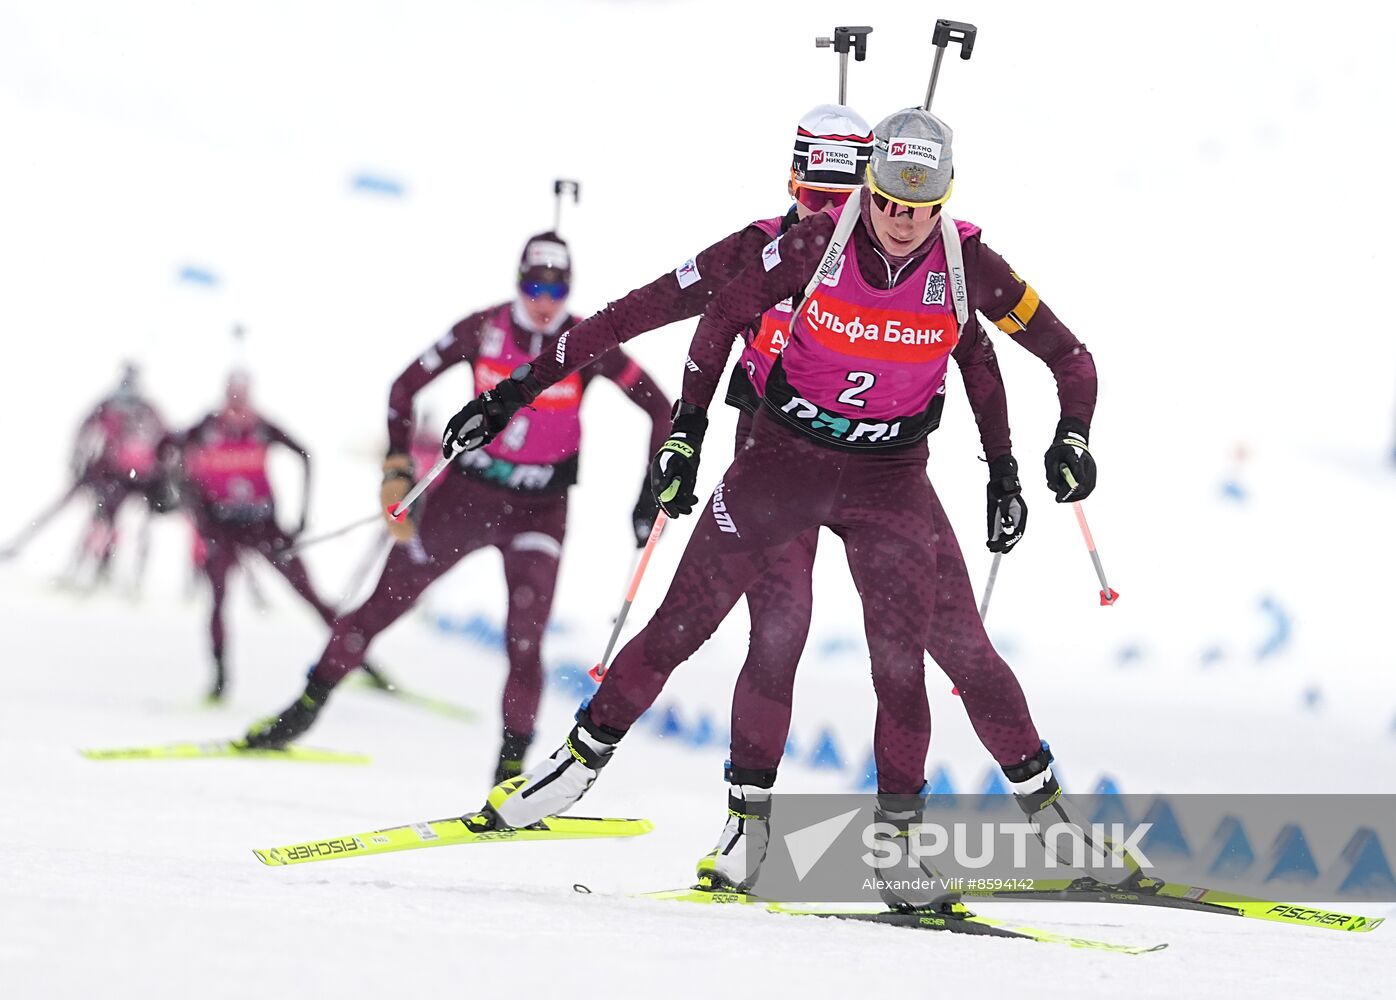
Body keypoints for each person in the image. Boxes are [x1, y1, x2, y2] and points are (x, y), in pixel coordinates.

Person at [450, 108, 1102, 911]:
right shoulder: (779, 247)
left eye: (839, 192)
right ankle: (682, 805)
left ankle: (1014, 831)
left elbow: (983, 354)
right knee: (756, 633)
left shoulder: (957, 261)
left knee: (936, 654)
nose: (829, 209)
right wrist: (530, 396)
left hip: (889, 474)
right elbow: (637, 316)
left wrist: (1013, 465)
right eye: (810, 190)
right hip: (778, 461)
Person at [242, 232, 672, 784]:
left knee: (525, 637)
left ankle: (510, 776)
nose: (545, 298)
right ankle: (301, 711)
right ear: (518, 281)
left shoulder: (585, 339)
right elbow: (404, 387)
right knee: (380, 609)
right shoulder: (484, 329)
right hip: (466, 500)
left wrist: (650, 485)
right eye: (534, 283)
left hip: (540, 509)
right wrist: (397, 468)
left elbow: (660, 408)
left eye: (557, 286)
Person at [163, 370, 336, 699]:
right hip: (222, 527)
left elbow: (304, 455)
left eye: (242, 394)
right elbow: (168, 449)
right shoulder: (207, 426)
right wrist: (187, 499)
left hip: (263, 525)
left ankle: (356, 659)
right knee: (217, 600)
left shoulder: (261, 427)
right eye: (233, 394)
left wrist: (301, 516)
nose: (237, 401)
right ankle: (219, 679)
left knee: (309, 593)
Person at [60, 363, 172, 589]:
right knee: (103, 522)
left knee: (131, 526)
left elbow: (166, 441)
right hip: (113, 475)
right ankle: (91, 568)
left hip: (139, 477)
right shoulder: (110, 406)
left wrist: (165, 474)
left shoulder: (143, 408)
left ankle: (130, 577)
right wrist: (79, 463)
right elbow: (84, 433)